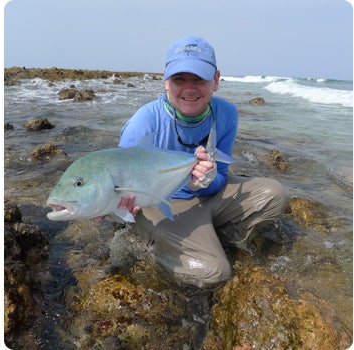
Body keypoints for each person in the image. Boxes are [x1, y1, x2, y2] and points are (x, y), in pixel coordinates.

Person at [116, 36, 286, 288]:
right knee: (215, 273)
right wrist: (116, 208)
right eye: (179, 79)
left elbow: (221, 177)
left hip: (206, 198)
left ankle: (221, 237)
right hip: (164, 205)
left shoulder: (226, 113)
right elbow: (121, 188)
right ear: (166, 81)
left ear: (216, 80)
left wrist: (203, 182)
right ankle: (156, 246)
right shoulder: (143, 124)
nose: (190, 89)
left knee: (275, 194)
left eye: (199, 79)